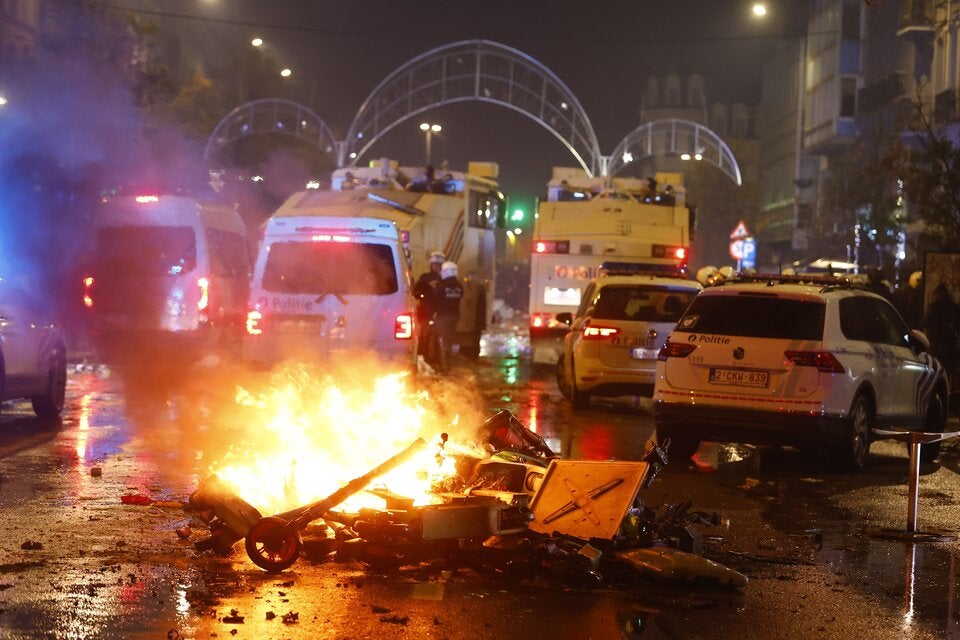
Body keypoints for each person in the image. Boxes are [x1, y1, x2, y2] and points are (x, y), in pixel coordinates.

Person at [922, 283, 959, 381]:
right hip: (949, 347)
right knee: (946, 373)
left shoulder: (933, 308)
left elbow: (923, 323)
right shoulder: (954, 308)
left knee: (934, 374)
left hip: (935, 347)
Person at [432, 261, 464, 373]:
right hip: (454, 316)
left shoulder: (441, 286)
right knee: (450, 339)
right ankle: (448, 363)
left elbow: (435, 301)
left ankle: (443, 365)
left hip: (442, 317)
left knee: (441, 340)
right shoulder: (459, 287)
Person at [413, 251, 445, 364]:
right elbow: (416, 291)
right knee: (424, 336)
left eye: (439, 265)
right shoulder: (425, 278)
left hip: (439, 314)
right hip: (426, 313)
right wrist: (428, 287)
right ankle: (423, 357)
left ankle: (436, 360)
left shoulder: (444, 279)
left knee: (437, 338)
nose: (437, 267)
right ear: (431, 265)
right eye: (435, 264)